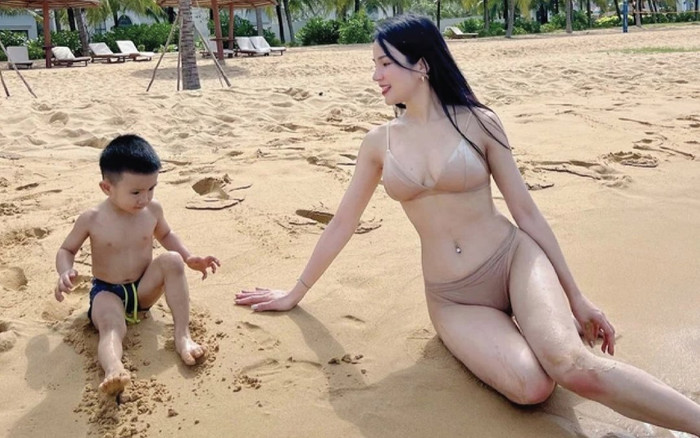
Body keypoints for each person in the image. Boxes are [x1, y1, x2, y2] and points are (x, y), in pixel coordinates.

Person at [235, 15, 700, 433]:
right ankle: (537, 332)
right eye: (373, 65)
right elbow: (342, 223)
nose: (375, 76)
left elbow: (526, 212)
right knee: (533, 386)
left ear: (421, 64)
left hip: (513, 260)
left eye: (384, 63)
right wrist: (294, 292)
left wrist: (576, 296)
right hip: (454, 298)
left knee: (573, 367)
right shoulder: (379, 143)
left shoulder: (480, 122)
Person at [54, 134, 220, 396]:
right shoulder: (92, 219)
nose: (145, 198)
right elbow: (67, 249)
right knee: (111, 327)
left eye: (151, 188)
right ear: (107, 188)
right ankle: (113, 368)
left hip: (143, 289)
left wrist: (188, 257)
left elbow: (166, 235)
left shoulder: (152, 210)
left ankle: (183, 336)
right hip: (107, 291)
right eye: (136, 192)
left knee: (172, 259)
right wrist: (65, 270)